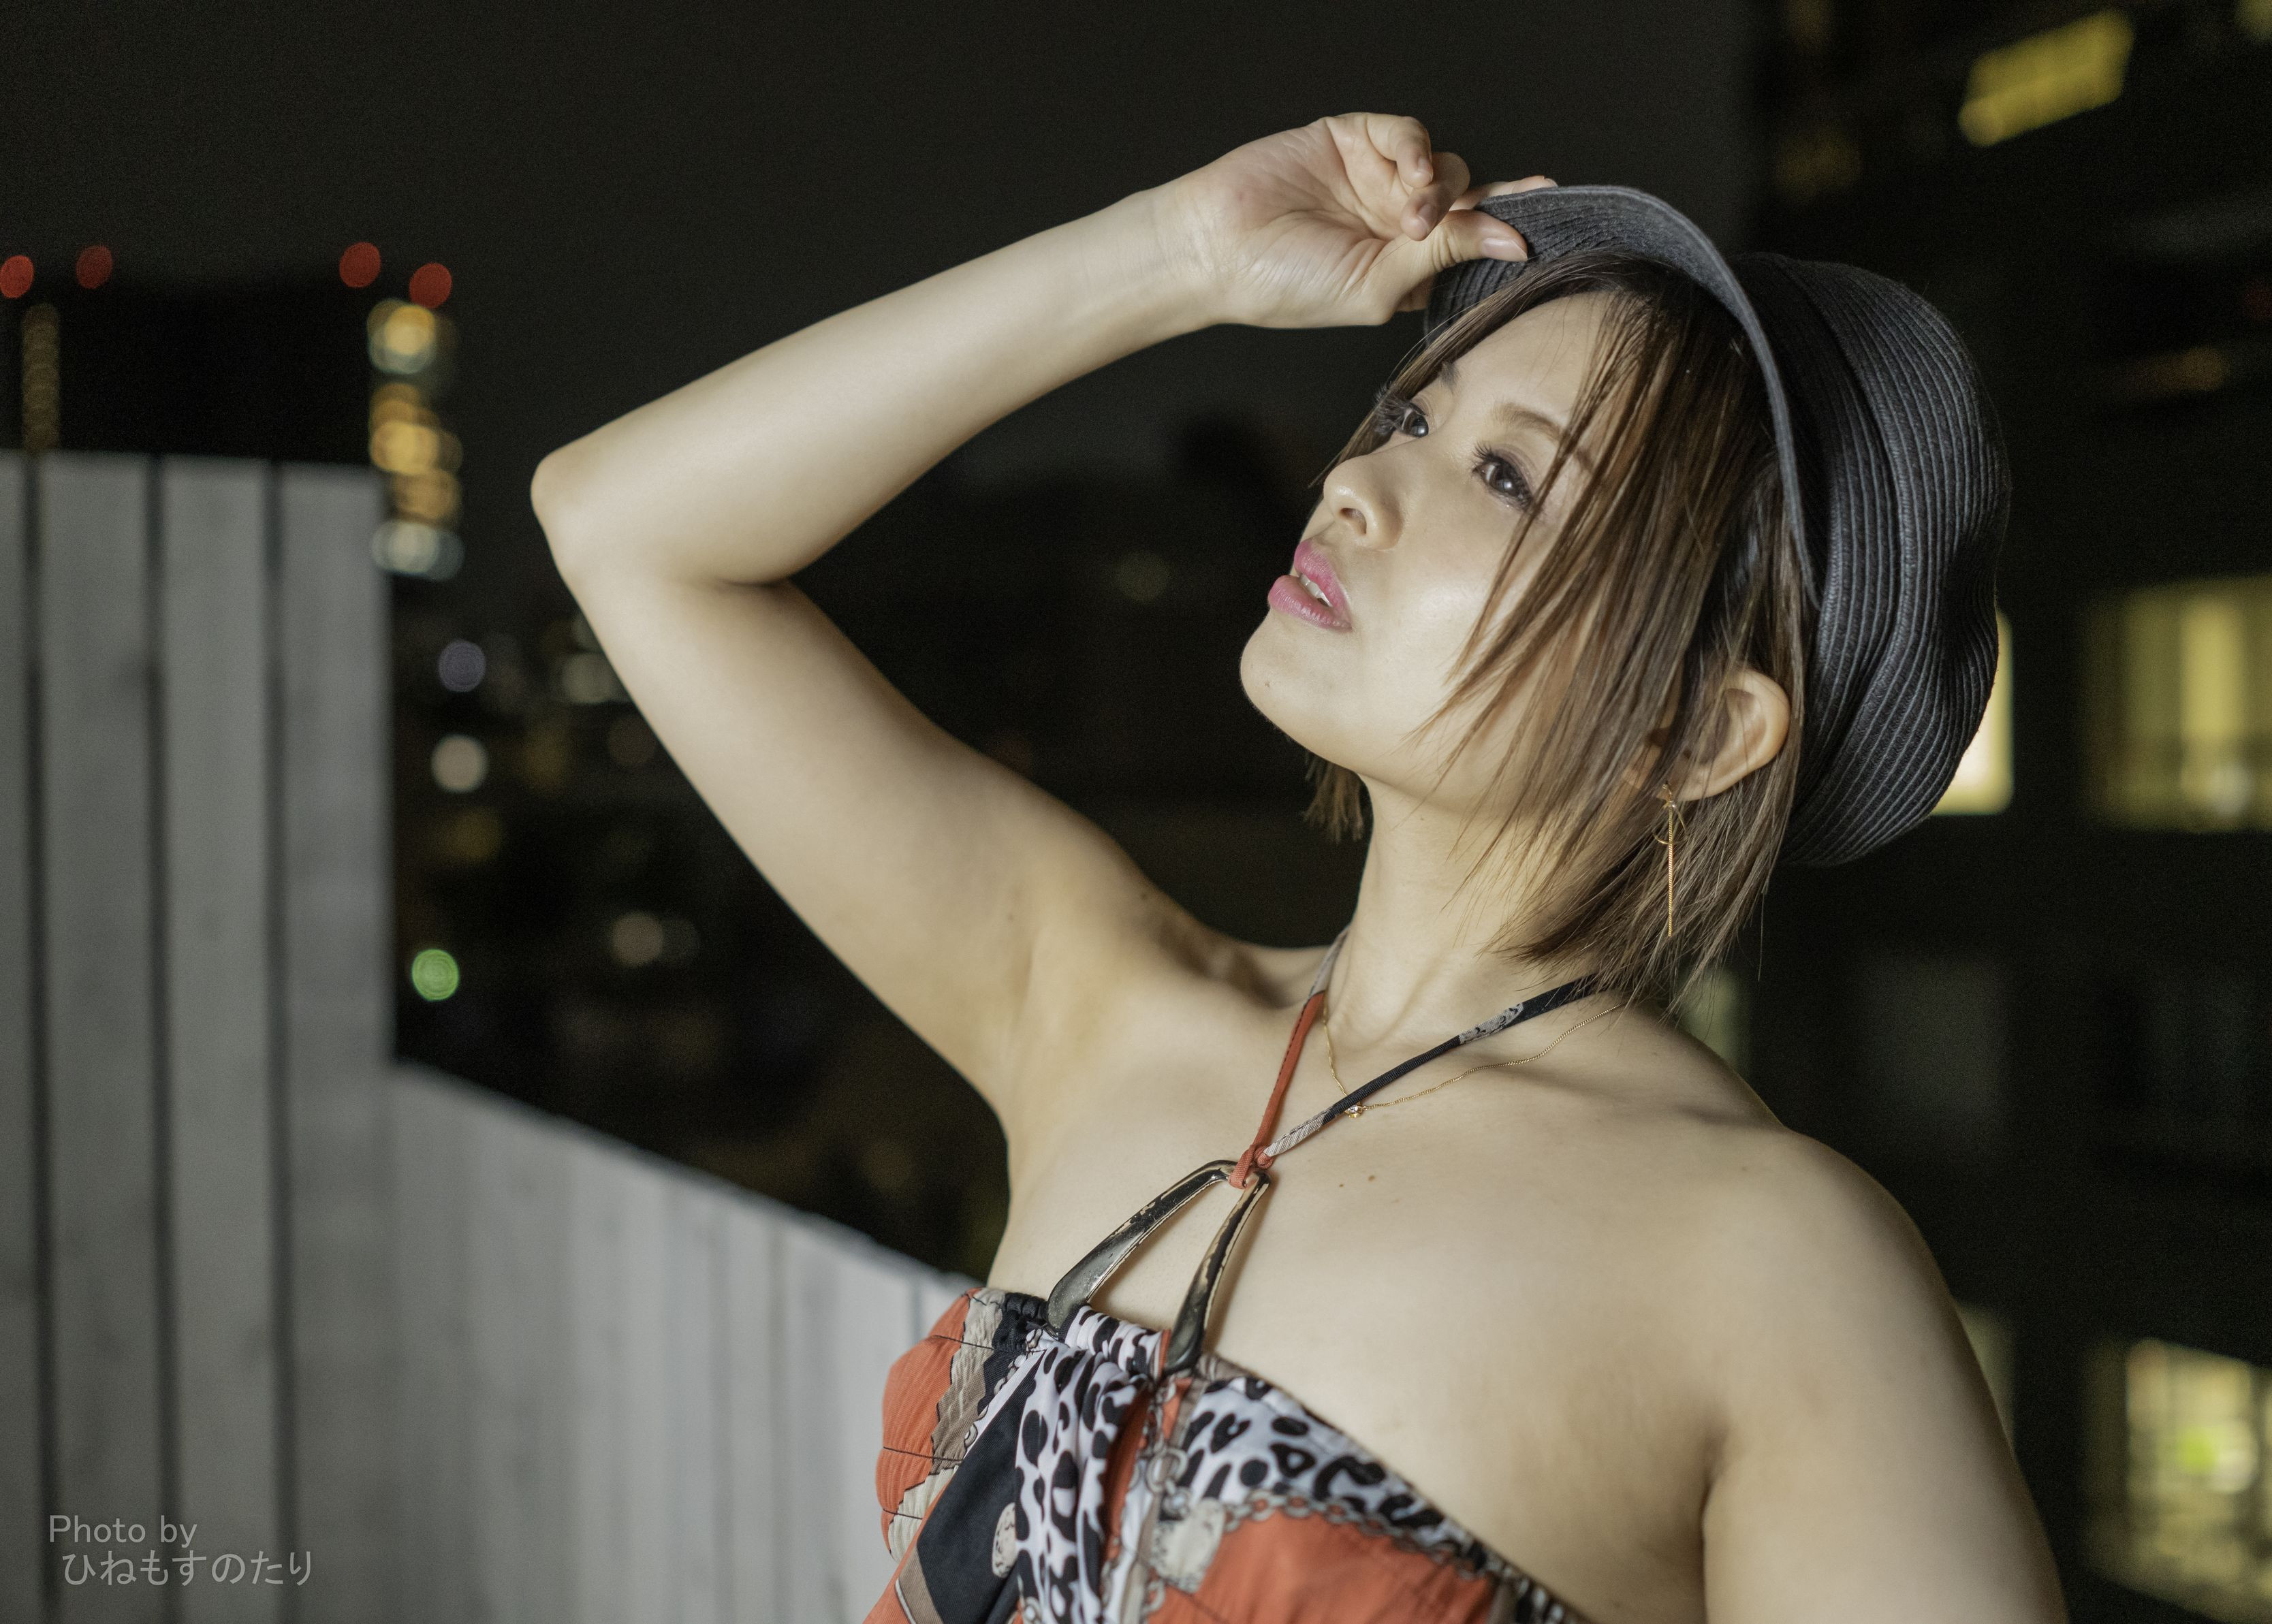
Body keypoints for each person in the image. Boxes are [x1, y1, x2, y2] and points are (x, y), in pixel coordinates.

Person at [533, 113, 2067, 1624]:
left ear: (1697, 726)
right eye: (1408, 415)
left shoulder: (1771, 1264)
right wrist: (1178, 253)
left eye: (1507, 476)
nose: (1354, 483)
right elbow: (624, 527)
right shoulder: (1105, 1008)